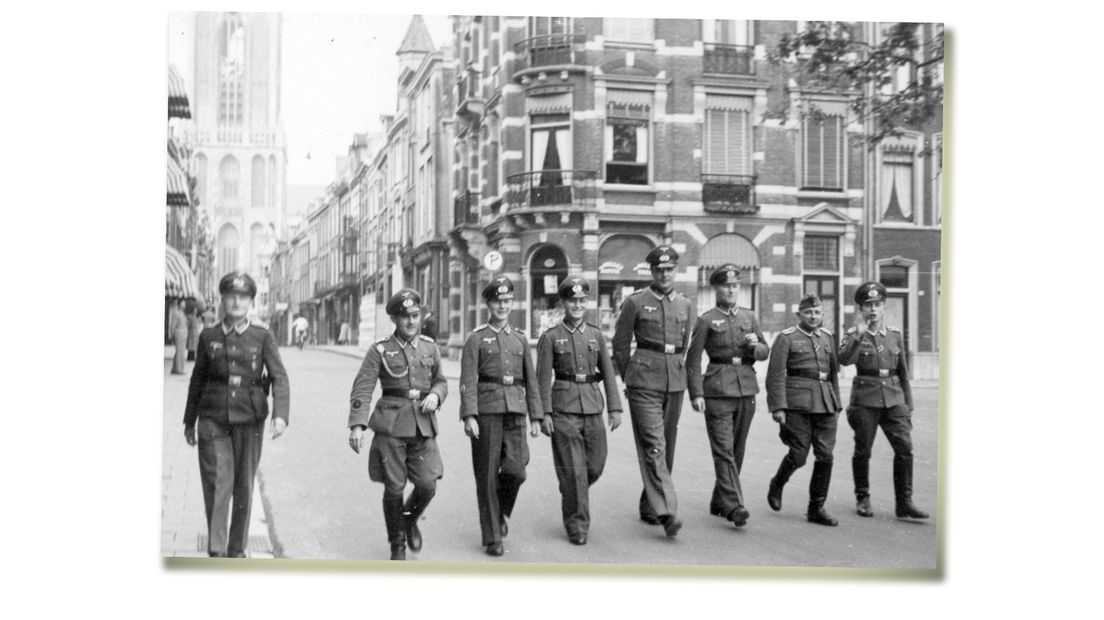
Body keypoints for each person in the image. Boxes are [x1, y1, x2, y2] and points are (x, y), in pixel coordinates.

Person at [183, 271, 289, 557]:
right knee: (218, 483)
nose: (236, 302)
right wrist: (188, 420)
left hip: (250, 419)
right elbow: (197, 380)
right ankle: (217, 552)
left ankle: (236, 550)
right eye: (231, 297)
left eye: (243, 297)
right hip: (213, 418)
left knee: (243, 486)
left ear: (251, 302)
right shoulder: (209, 336)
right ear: (223, 300)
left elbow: (279, 376)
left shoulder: (262, 335)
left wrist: (280, 414)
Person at [348, 289, 447, 560]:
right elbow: (363, 387)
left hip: (423, 424)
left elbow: (441, 380)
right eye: (405, 317)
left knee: (427, 484)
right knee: (394, 488)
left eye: (416, 316)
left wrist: (436, 395)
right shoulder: (380, 349)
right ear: (394, 319)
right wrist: (358, 425)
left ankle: (409, 521)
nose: (411, 322)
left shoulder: (430, 347)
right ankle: (397, 543)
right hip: (391, 426)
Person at [611, 244, 693, 538]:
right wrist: (629, 376)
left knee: (665, 446)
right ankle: (668, 511)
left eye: (669, 269)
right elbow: (620, 345)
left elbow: (686, 342)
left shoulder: (685, 304)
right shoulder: (636, 302)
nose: (664, 274)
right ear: (652, 271)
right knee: (654, 444)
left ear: (675, 270)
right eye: (659, 270)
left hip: (675, 379)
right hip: (644, 380)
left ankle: (650, 505)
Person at [459, 275, 543, 556]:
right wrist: (469, 415)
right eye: (498, 301)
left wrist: (536, 416)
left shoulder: (519, 338)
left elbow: (531, 380)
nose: (503, 306)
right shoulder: (476, 339)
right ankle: (493, 536)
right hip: (487, 411)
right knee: (486, 476)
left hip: (516, 410)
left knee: (516, 470)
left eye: (507, 301)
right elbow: (468, 380)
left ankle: (500, 513)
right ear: (489, 304)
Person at [535, 276, 623, 546]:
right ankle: (578, 525)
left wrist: (615, 408)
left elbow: (608, 373)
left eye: (581, 300)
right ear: (563, 303)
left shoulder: (596, 335)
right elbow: (541, 379)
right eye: (572, 301)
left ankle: (572, 490)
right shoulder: (551, 337)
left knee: (595, 465)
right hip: (563, 409)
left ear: (587, 302)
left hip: (593, 406)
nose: (577, 305)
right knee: (574, 471)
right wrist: (544, 414)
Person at [685, 264, 769, 528]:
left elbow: (766, 351)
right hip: (718, 390)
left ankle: (719, 500)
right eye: (726, 286)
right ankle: (734, 505)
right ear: (716, 289)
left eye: (735, 285)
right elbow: (693, 358)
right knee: (723, 450)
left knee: (737, 449)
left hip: (746, 388)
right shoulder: (707, 319)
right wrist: (696, 393)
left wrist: (756, 348)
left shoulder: (749, 317)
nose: (731, 290)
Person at [839, 281, 929, 520]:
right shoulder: (854, 334)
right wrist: (857, 336)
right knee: (863, 450)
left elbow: (903, 371)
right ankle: (863, 498)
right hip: (865, 399)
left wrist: (908, 404)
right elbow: (844, 360)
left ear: (884, 307)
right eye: (868, 305)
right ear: (861, 309)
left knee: (905, 449)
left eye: (877, 304)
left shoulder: (894, 335)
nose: (873, 309)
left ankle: (904, 502)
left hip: (894, 398)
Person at [764, 292, 843, 526]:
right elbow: (775, 375)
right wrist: (777, 406)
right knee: (798, 454)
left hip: (826, 402)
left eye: (817, 312)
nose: (813, 316)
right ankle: (777, 483)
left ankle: (816, 508)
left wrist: (837, 403)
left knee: (825, 455)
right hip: (796, 403)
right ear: (799, 314)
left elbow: (833, 375)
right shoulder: (786, 338)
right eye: (808, 312)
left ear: (822, 314)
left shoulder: (828, 337)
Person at [168, 298, 189, 374]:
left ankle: (174, 369)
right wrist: (172, 334)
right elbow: (172, 325)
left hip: (183, 335)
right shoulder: (176, 313)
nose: (184, 305)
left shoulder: (183, 314)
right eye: (182, 303)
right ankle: (179, 369)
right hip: (178, 335)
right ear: (179, 304)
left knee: (180, 352)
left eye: (184, 304)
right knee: (179, 352)